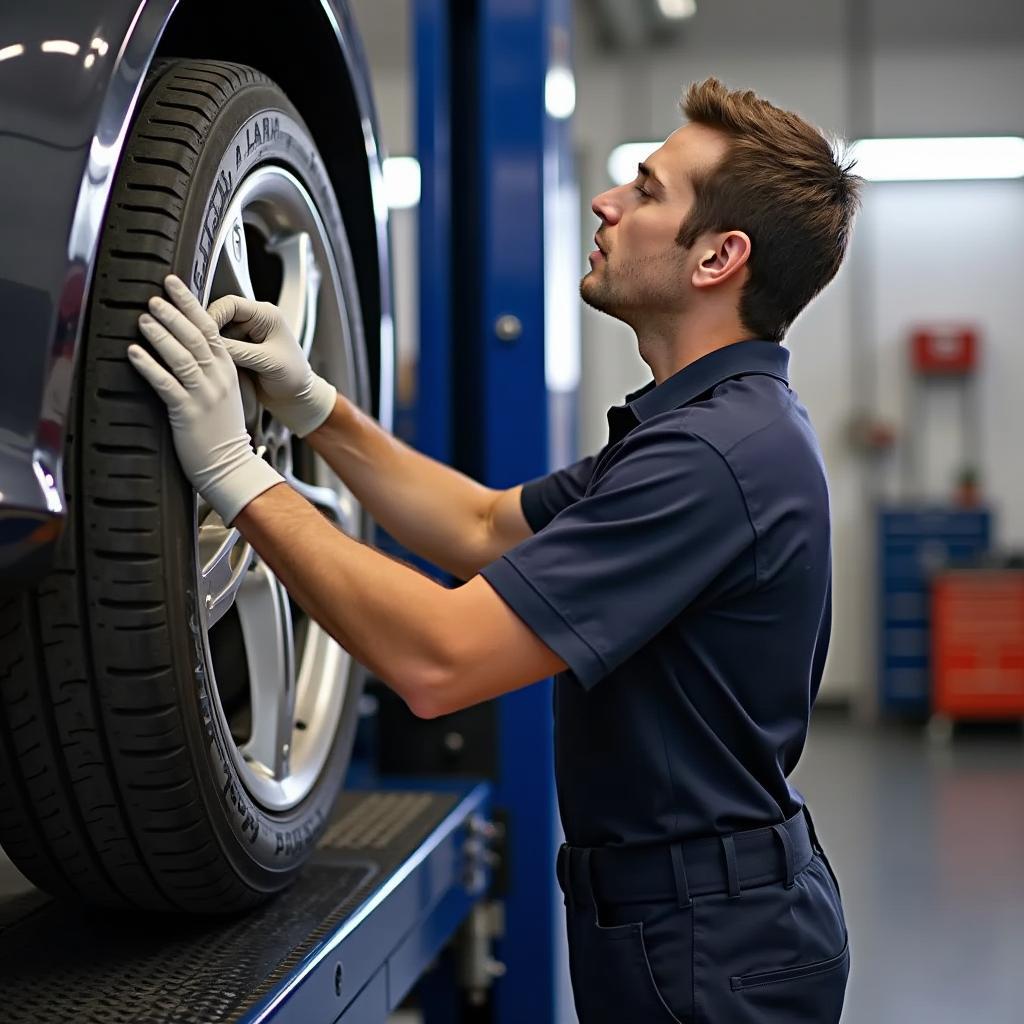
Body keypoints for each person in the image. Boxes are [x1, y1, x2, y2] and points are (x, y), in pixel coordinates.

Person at [128, 76, 860, 1023]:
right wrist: (316, 408)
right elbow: (476, 526)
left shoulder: (715, 458)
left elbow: (438, 660)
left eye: (645, 190)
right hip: (683, 913)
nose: (608, 202)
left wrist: (237, 472)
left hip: (708, 946)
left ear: (719, 256)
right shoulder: (702, 428)